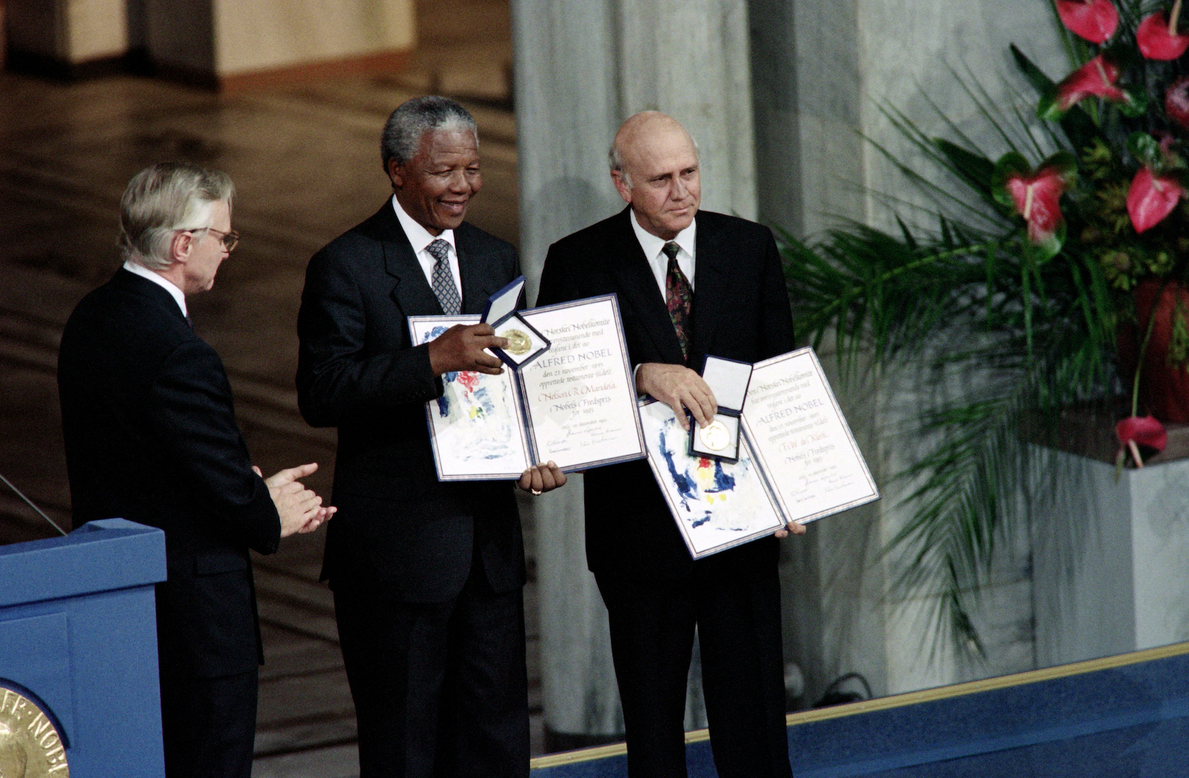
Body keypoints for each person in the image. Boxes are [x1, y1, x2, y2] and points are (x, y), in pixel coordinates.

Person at [296, 95, 565, 777]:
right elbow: (320, 391)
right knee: (405, 747)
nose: (464, 187)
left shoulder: (493, 255)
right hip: (396, 560)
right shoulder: (348, 265)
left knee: (496, 741)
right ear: (398, 171)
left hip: (488, 555)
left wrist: (537, 448)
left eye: (473, 170)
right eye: (446, 172)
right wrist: (429, 361)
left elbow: (518, 378)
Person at [536, 111, 804, 778]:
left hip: (739, 525)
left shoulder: (748, 247)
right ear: (621, 182)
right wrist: (638, 374)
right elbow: (555, 385)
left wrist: (789, 486)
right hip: (638, 534)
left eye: (689, 172)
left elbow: (779, 376)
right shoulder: (576, 260)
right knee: (653, 729)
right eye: (660, 179)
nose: (681, 191)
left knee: (754, 721)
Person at [57, 162, 335, 778]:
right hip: (194, 626)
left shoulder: (91, 318)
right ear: (184, 244)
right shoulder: (179, 351)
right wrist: (268, 507)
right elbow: (221, 487)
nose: (229, 252)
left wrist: (242, 486)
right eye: (224, 238)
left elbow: (150, 463)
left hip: (118, 602)